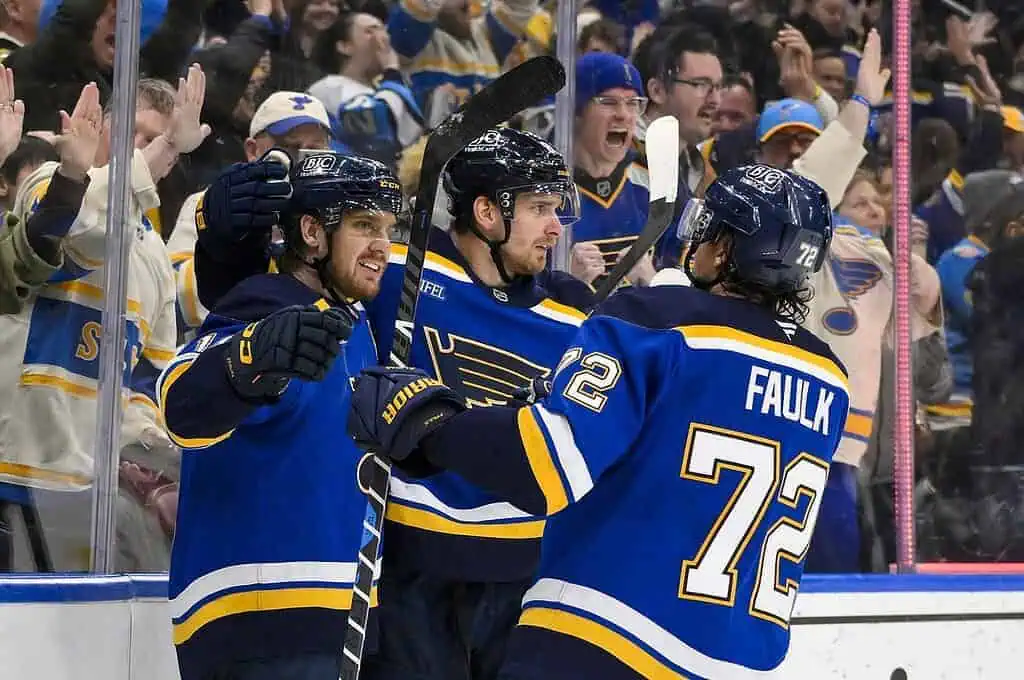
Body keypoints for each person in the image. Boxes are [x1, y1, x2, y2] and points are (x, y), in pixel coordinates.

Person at [347, 164, 850, 679]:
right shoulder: (830, 378)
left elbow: (546, 466)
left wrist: (431, 424)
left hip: (605, 644)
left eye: (708, 229)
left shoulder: (656, 322)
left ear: (723, 249)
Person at [157, 150, 402, 680]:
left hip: (334, 615)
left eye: (387, 227)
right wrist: (249, 358)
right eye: (364, 226)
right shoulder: (265, 304)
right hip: (259, 614)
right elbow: (180, 404)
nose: (382, 245)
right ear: (311, 232)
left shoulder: (353, 324)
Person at [359, 127, 594, 680]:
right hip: (407, 569)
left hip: (524, 577)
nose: (555, 228)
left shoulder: (575, 315)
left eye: (557, 210)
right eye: (540, 209)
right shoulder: (401, 270)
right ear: (486, 212)